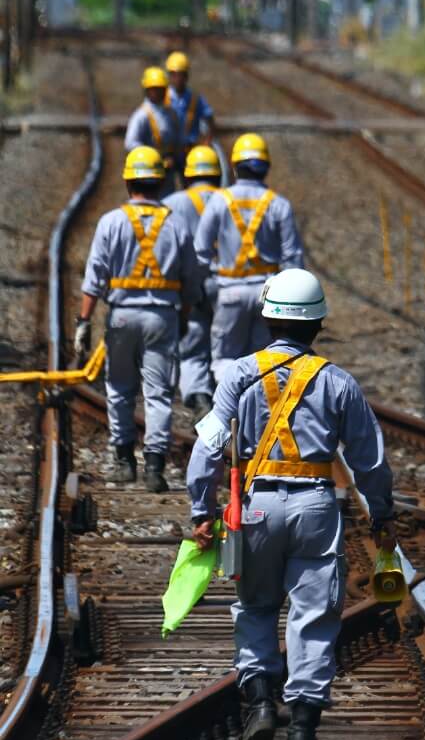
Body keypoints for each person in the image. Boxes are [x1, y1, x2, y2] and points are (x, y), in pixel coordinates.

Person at [187, 269, 395, 740]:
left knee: (255, 606)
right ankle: (302, 728)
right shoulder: (339, 382)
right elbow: (371, 460)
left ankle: (261, 702)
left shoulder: (238, 373)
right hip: (316, 508)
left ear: (265, 317)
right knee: (314, 615)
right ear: (318, 323)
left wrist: (201, 509)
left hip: (254, 508)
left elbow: (207, 449)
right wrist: (381, 513)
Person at [74, 147, 202, 492]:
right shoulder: (176, 223)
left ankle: (123, 462)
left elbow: (94, 278)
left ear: (128, 181)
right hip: (163, 317)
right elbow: (192, 282)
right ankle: (155, 468)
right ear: (160, 182)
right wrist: (185, 319)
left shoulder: (111, 223)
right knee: (158, 394)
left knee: (119, 391)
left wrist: (83, 322)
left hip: (121, 319)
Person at [194, 133, 304, 381]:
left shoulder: (218, 201)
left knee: (225, 361)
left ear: (233, 167)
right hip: (268, 295)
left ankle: (229, 413)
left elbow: (200, 252)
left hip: (230, 292)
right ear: (266, 168)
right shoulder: (279, 204)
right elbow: (292, 258)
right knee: (265, 362)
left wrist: (199, 291)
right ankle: (259, 415)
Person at [163, 146, 222, 420]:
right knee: (229, 347)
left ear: (186, 176)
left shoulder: (173, 203)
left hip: (193, 284)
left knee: (193, 346)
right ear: (217, 175)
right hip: (229, 285)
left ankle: (200, 400)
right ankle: (229, 397)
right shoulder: (232, 199)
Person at [124, 66, 184, 196]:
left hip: (168, 172)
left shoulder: (171, 113)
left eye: (161, 89)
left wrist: (177, 159)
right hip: (148, 173)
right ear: (147, 90)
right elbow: (130, 142)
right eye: (154, 89)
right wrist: (152, 157)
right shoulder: (141, 115)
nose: (158, 93)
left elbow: (178, 140)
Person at [164, 51, 217, 148]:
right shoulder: (163, 98)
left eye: (181, 75)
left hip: (190, 148)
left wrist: (208, 140)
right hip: (169, 150)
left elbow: (210, 118)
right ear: (169, 76)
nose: (177, 79)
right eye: (174, 74)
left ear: (186, 76)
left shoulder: (195, 99)